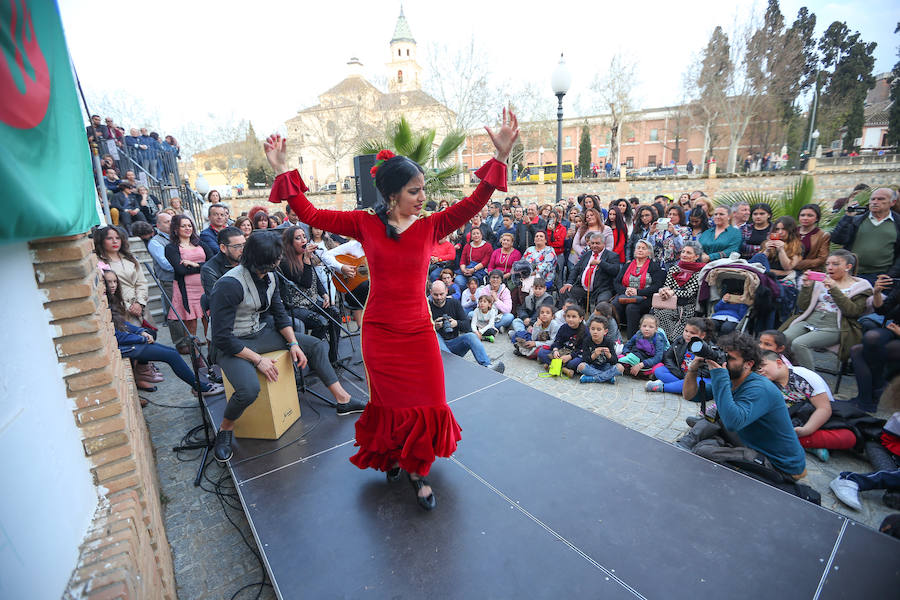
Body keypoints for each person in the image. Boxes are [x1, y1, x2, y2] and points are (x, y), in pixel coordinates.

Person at [264, 110, 518, 509]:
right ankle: (400, 460)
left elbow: (473, 204)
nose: (423, 198)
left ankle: (418, 467)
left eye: (423, 190)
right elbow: (310, 216)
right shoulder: (365, 224)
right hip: (380, 333)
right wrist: (282, 169)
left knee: (431, 401)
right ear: (393, 193)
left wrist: (500, 158)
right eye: (415, 191)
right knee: (391, 404)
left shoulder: (431, 225)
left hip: (419, 332)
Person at [209, 231, 367, 463]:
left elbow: (280, 314)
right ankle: (225, 429)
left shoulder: (270, 276)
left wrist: (293, 342)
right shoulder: (230, 284)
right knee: (249, 390)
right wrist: (258, 359)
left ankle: (342, 400)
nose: (276, 265)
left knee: (314, 346)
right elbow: (221, 337)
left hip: (257, 333)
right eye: (273, 262)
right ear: (259, 260)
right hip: (231, 344)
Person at [677, 333, 807, 480]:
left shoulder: (759, 388)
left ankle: (708, 440)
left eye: (731, 358)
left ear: (749, 364)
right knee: (714, 418)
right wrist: (693, 370)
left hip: (780, 464)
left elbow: (733, 423)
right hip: (751, 439)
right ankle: (692, 440)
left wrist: (719, 375)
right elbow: (690, 395)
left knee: (703, 450)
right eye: (724, 355)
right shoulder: (733, 378)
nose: (724, 361)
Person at [103, 269, 224, 400]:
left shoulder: (110, 300)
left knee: (170, 350)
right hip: (123, 347)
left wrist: (140, 331)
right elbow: (116, 335)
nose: (113, 285)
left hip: (127, 343)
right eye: (109, 282)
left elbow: (122, 324)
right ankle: (199, 387)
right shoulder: (103, 305)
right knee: (170, 355)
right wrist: (141, 338)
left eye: (115, 281)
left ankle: (198, 385)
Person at [780, 250, 873, 370]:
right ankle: (788, 372)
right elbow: (803, 306)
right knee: (782, 339)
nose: (830, 267)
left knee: (799, 344)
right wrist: (807, 287)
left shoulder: (861, 287)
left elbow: (853, 312)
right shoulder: (821, 281)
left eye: (835, 264)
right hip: (811, 319)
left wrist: (834, 289)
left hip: (835, 325)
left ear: (848, 267)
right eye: (828, 264)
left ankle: (811, 383)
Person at [759, 352, 853, 463]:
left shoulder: (801, 376)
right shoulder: (769, 381)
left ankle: (799, 442)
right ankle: (806, 445)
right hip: (791, 420)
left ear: (779, 363)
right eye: (757, 369)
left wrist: (806, 430)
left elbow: (824, 409)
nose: (760, 371)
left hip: (816, 420)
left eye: (763, 366)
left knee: (848, 438)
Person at [849, 274, 900, 412]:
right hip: (894, 329)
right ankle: (877, 388)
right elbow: (883, 311)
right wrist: (877, 292)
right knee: (871, 338)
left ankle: (866, 401)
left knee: (858, 351)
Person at [430, 280, 505, 373]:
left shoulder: (454, 303)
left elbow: (467, 325)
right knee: (434, 334)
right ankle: (449, 366)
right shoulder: (427, 307)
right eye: (435, 295)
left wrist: (456, 323)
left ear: (446, 291)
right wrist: (433, 326)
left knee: (471, 336)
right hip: (435, 349)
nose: (439, 297)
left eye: (441, 294)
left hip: (454, 345)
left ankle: (487, 366)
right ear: (430, 293)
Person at [831, 187, 900, 283]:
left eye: (881, 199)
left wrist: (890, 275)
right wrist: (847, 217)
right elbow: (837, 239)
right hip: (853, 273)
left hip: (881, 276)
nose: (875, 202)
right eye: (873, 199)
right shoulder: (857, 220)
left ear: (892, 202)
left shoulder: (897, 223)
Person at [147, 212, 190, 353]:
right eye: (166, 222)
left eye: (172, 221)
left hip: (184, 278)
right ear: (158, 225)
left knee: (187, 309)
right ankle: (180, 343)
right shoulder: (155, 242)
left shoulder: (177, 238)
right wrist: (186, 266)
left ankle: (190, 339)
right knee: (174, 312)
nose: (171, 224)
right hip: (169, 280)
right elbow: (165, 264)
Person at [165, 215, 212, 343]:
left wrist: (195, 264)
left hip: (205, 287)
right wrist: (203, 266)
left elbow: (212, 262)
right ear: (175, 229)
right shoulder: (171, 248)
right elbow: (180, 270)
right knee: (191, 324)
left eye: (189, 225)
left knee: (209, 322)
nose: (187, 228)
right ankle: (196, 357)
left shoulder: (200, 243)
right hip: (186, 290)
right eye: (183, 226)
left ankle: (212, 355)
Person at [94, 226, 151, 328]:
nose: (115, 241)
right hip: (119, 309)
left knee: (149, 337)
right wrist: (129, 307)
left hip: (140, 306)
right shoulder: (98, 263)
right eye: (109, 238)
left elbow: (141, 282)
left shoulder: (131, 258)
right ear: (101, 240)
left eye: (118, 238)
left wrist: (140, 303)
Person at [611, 239, 666, 339]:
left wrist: (638, 292)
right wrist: (625, 290)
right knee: (615, 305)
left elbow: (657, 286)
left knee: (632, 308)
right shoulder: (627, 265)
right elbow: (616, 282)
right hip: (626, 295)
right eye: (638, 248)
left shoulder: (654, 266)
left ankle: (631, 339)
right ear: (634, 251)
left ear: (649, 252)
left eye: (643, 248)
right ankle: (614, 336)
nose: (640, 250)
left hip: (645, 297)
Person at [647, 317, 716, 395]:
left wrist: (688, 376)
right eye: (686, 331)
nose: (687, 334)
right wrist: (679, 373)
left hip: (696, 377)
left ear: (702, 335)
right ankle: (679, 386)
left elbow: (706, 372)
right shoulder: (680, 340)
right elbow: (668, 357)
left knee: (698, 382)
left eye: (692, 333)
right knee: (659, 370)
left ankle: (662, 387)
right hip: (679, 374)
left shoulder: (708, 349)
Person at [651, 241, 705, 340]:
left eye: (688, 253)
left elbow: (690, 293)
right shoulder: (674, 269)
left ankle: (669, 340)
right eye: (683, 251)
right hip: (669, 302)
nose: (684, 254)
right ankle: (659, 340)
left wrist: (673, 292)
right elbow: (667, 286)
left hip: (686, 306)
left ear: (696, 256)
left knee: (663, 314)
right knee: (654, 311)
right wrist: (663, 291)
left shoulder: (699, 272)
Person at [559, 231, 620, 308]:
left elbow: (615, 270)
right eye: (592, 243)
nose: (594, 245)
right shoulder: (587, 254)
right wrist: (569, 283)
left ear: (603, 244)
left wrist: (600, 263)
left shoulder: (612, 256)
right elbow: (576, 269)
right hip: (584, 288)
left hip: (602, 289)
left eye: (597, 243)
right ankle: (563, 318)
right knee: (564, 291)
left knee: (602, 304)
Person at [537, 305, 586, 378]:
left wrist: (570, 356)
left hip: (574, 355)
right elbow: (557, 341)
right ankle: (563, 369)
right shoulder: (563, 327)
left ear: (581, 319)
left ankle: (552, 365)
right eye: (568, 316)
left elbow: (583, 349)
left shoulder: (585, 331)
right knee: (541, 352)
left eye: (574, 317)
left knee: (573, 364)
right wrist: (555, 350)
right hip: (562, 352)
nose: (570, 319)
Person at [615, 314, 666, 378]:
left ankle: (637, 372)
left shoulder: (658, 339)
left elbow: (658, 357)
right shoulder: (638, 335)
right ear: (640, 327)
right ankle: (631, 370)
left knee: (659, 367)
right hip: (634, 358)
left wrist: (641, 364)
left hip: (647, 362)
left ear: (656, 329)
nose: (647, 329)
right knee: (619, 357)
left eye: (651, 327)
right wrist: (627, 353)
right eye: (644, 326)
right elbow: (627, 346)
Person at [576, 316, 618, 383]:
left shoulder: (609, 342)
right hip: (592, 366)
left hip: (605, 366)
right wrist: (594, 355)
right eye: (593, 329)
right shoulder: (586, 341)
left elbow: (615, 361)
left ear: (605, 331)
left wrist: (609, 355)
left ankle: (592, 378)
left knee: (620, 368)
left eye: (599, 329)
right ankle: (608, 377)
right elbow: (585, 360)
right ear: (589, 329)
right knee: (581, 366)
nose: (595, 332)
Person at [794, 204, 830, 272]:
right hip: (785, 270)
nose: (805, 218)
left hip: (808, 273)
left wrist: (797, 265)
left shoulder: (823, 235)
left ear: (817, 218)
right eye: (802, 215)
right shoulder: (791, 231)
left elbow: (822, 259)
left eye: (810, 215)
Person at [648, 205, 687, 269]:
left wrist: (675, 233)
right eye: (670, 214)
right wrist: (651, 233)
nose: (671, 216)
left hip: (675, 266)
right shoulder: (660, 230)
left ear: (680, 216)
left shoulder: (685, 230)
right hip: (658, 265)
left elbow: (681, 248)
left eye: (675, 214)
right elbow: (650, 246)